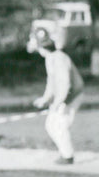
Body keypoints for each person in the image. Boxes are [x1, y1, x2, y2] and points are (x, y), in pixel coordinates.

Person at [27, 27, 84, 165]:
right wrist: (45, 99)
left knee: (59, 125)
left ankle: (68, 156)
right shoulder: (51, 58)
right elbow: (51, 83)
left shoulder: (58, 58)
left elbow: (65, 85)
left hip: (72, 96)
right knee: (51, 124)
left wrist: (59, 104)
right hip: (65, 97)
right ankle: (66, 154)